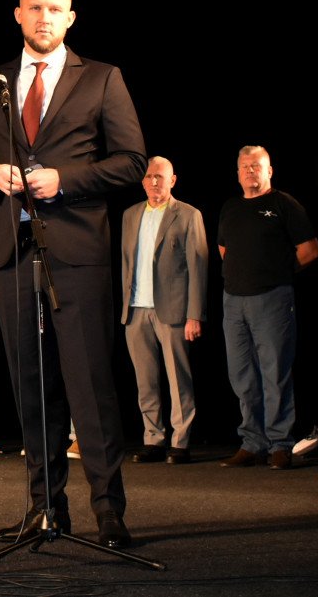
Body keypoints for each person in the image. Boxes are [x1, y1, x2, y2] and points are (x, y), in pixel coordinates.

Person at [0, 0, 146, 549]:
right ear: (18, 14)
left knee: (90, 385)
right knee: (31, 387)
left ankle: (109, 511)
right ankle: (45, 509)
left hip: (77, 252)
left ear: (71, 17)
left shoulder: (102, 78)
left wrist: (67, 180)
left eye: (55, 9)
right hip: (12, 253)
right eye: (35, 8)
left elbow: (132, 160)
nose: (45, 18)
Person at [217, 146, 318, 471]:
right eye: (245, 166)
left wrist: (277, 272)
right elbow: (223, 249)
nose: (250, 171)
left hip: (272, 299)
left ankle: (280, 443)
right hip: (234, 301)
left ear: (269, 170)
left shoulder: (283, 204)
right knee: (242, 374)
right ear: (237, 173)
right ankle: (253, 443)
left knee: (274, 372)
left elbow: (310, 249)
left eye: (256, 165)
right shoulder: (231, 207)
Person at [119, 156, 207, 465]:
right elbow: (126, 263)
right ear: (142, 181)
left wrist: (194, 314)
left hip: (172, 310)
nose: (154, 181)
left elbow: (198, 267)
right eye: (149, 176)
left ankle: (180, 441)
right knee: (146, 380)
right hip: (135, 309)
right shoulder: (130, 215)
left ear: (172, 180)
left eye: (160, 176)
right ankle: (152, 438)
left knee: (177, 378)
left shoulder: (188, 215)